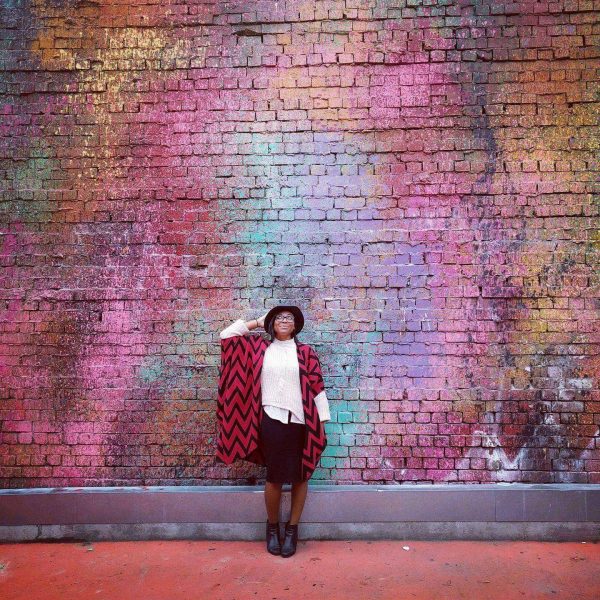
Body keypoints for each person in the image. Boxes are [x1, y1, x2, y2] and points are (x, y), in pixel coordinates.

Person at [217, 305, 331, 557]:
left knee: (302, 475)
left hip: (302, 421)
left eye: (288, 317)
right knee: (275, 477)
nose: (283, 320)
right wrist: (257, 322)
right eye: (278, 317)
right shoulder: (259, 349)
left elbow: (317, 386)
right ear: (271, 323)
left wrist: (322, 423)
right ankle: (272, 529)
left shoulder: (305, 352)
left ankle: (292, 530)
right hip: (271, 419)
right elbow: (227, 336)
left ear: (295, 325)